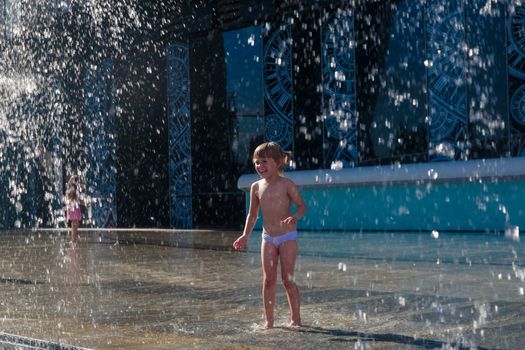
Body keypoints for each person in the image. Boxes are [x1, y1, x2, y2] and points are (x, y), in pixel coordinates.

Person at [233, 142, 307, 329]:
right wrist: (245, 235)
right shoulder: (256, 187)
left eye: (264, 161)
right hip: (268, 238)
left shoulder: (286, 184)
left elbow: (302, 206)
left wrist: (294, 217)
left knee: (287, 280)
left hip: (287, 237)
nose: (260, 166)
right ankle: (269, 321)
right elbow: (253, 215)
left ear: (279, 162)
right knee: (268, 280)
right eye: (257, 162)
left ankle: (295, 319)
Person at [65, 175, 84, 244]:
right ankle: (74, 240)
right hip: (74, 210)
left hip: (73, 210)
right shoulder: (73, 192)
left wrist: (72, 178)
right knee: (75, 226)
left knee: (74, 226)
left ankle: (74, 240)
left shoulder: (71, 192)